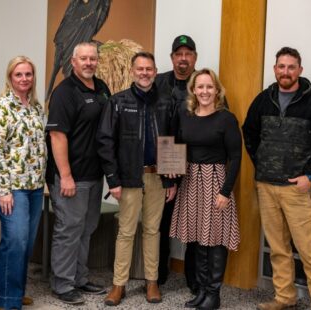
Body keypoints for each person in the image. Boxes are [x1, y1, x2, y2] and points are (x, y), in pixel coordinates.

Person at [242, 47, 311, 310]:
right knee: (278, 248)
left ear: (300, 70)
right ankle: (284, 297)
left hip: (297, 188)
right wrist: (261, 164)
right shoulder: (264, 99)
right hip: (267, 186)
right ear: (274, 69)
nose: (285, 71)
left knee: (309, 252)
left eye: (291, 67)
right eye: (281, 66)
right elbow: (249, 133)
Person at [97, 52, 177, 306]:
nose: (144, 73)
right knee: (126, 232)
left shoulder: (167, 101)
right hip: (128, 178)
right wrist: (113, 179)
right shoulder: (118, 101)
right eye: (140, 69)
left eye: (149, 69)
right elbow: (105, 141)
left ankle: (151, 282)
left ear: (155, 71)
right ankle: (118, 285)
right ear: (132, 72)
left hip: (157, 177)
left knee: (153, 230)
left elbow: (174, 137)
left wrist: (171, 179)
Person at [169, 69, 242, 310]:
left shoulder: (226, 119)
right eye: (200, 87)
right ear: (193, 90)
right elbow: (177, 144)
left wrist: (225, 191)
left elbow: (236, 157)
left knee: (216, 239)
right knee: (198, 239)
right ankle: (200, 290)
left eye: (209, 87)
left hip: (216, 181)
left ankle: (213, 293)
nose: (205, 91)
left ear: (217, 90)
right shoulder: (186, 115)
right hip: (191, 180)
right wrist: (171, 170)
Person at [45, 42, 111, 305]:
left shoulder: (102, 88)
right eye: (83, 59)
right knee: (69, 229)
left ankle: (79, 278)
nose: (88, 63)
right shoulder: (64, 92)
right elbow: (57, 135)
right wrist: (66, 175)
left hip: (94, 174)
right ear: (73, 62)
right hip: (71, 176)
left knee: (87, 228)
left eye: (92, 58)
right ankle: (62, 284)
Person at [0, 56, 47, 309]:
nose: (24, 79)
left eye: (28, 74)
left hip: (35, 185)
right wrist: (3, 190)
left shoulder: (35, 107)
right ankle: (7, 302)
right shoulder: (1, 107)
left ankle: (13, 293)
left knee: (25, 243)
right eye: (19, 74)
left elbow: (40, 146)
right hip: (11, 187)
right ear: (10, 78)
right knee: (16, 240)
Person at [155, 34, 199, 292]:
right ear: (172, 57)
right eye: (178, 54)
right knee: (161, 221)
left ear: (195, 57)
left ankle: (193, 278)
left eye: (188, 54)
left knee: (193, 222)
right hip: (167, 155)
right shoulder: (158, 83)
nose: (183, 59)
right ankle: (158, 274)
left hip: (195, 161)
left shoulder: (204, 82)